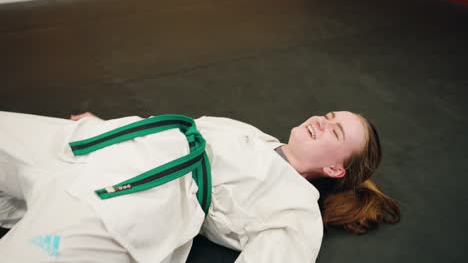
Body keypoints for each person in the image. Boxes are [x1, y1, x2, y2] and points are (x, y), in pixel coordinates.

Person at [0, 110, 400, 262]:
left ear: (335, 168)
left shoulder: (297, 209)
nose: (322, 121)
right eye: (328, 114)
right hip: (99, 145)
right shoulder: (252, 133)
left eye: (336, 130)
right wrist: (111, 125)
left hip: (129, 203)